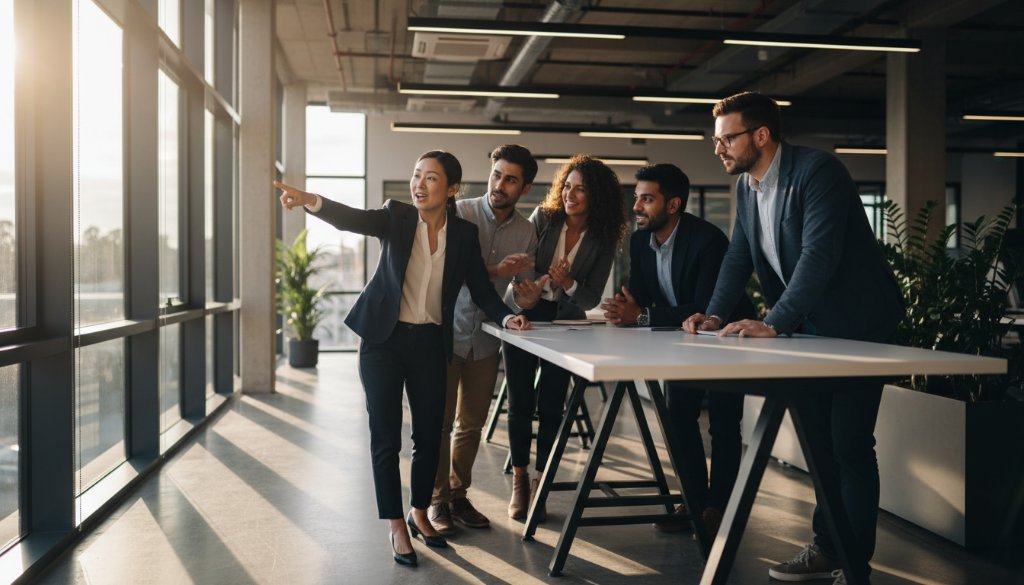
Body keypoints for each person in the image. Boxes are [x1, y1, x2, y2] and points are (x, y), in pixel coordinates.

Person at [682, 92, 905, 585]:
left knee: (849, 445)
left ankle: (853, 564)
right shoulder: (747, 186)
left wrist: (775, 321)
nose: (717, 149)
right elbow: (739, 255)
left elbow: (818, 256)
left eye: (726, 138)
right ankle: (829, 547)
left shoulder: (818, 172)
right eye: (715, 140)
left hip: (857, 325)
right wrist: (716, 314)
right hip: (811, 328)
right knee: (820, 447)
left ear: (761, 135)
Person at [275, 151, 531, 568]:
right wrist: (309, 199)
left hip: (430, 342)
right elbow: (351, 218)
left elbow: (482, 289)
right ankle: (396, 524)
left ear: (451, 190)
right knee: (387, 438)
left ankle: (419, 512)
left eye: (431, 178)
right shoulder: (396, 216)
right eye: (416, 176)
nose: (419, 184)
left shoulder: (463, 235)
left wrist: (508, 316)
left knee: (430, 436)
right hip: (383, 343)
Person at [599, 163, 755, 539]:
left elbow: (704, 306)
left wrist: (643, 315)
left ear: (673, 205)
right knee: (679, 420)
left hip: (726, 342)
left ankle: (719, 509)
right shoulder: (639, 241)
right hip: (679, 343)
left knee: (723, 425)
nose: (637, 206)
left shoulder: (707, 241)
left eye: (647, 199)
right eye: (636, 198)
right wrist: (626, 309)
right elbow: (640, 294)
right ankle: (693, 503)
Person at [503, 154, 627, 521]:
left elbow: (590, 298)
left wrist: (567, 282)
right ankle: (520, 480)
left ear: (597, 196)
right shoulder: (544, 218)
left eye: (581, 188)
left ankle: (542, 480)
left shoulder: (604, 237)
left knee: (553, 404)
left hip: (565, 323)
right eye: (567, 186)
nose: (570, 194)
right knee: (520, 400)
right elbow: (520, 270)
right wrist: (529, 288)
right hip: (527, 315)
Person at [427, 145, 539, 535]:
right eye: (496, 175)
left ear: (525, 189)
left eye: (510, 180)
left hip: (488, 340)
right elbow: (443, 272)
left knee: (471, 425)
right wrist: (494, 270)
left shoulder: (527, 231)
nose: (499, 185)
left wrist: (528, 296)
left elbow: (519, 291)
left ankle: (458, 495)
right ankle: (437, 500)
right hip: (446, 332)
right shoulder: (460, 211)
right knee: (439, 424)